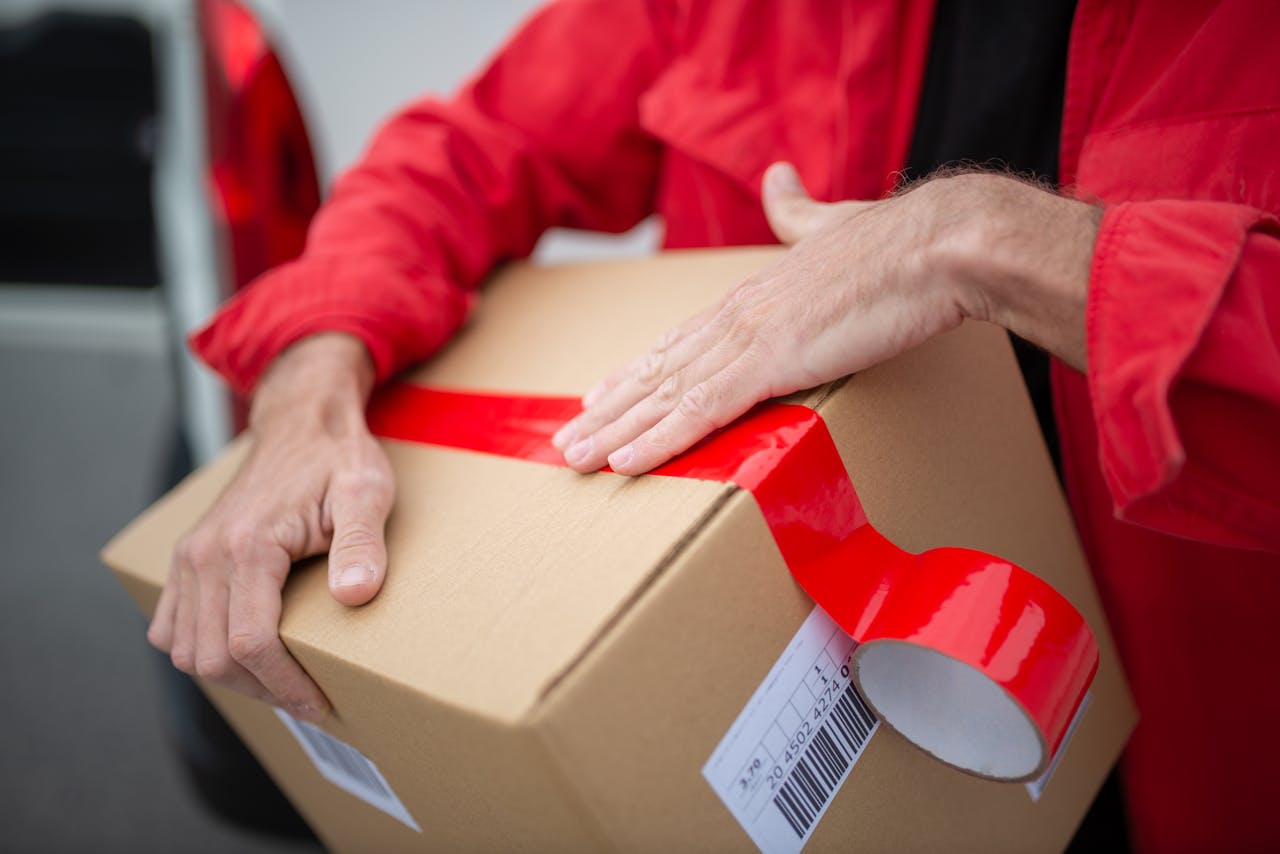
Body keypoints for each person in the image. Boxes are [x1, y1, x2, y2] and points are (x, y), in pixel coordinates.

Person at [146, 1, 1280, 850]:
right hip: (818, 737)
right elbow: (465, 151)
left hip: (1196, 777)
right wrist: (307, 375)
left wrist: (985, 241)